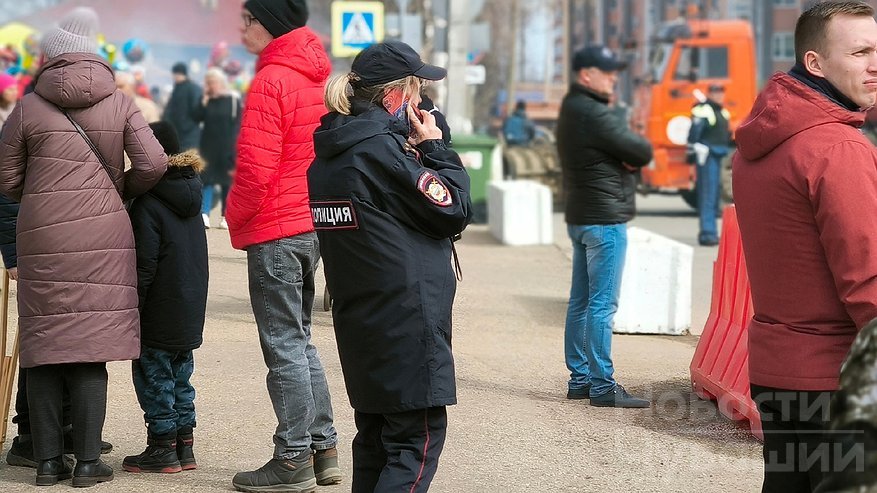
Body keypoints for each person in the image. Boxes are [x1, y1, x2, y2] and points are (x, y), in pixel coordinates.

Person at [0, 6, 167, 487]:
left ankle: (49, 464)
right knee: (89, 349)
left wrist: (39, 197)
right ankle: (89, 463)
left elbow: (6, 177)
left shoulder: (29, 106)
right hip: (104, 235)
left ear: (51, 60)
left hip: (42, 236)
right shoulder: (119, 102)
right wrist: (119, 189)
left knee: (46, 347)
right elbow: (154, 163)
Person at [310, 40, 472, 493]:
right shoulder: (379, 151)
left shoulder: (332, 151)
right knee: (413, 445)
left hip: (362, 316)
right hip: (406, 319)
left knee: (376, 442)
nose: (422, 105)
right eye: (417, 93)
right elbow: (453, 208)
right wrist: (437, 149)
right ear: (394, 97)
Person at [732, 2, 877, 491]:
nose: (874, 64)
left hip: (778, 369)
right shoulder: (839, 148)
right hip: (837, 378)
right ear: (815, 63)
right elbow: (867, 279)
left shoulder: (761, 143)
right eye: (860, 52)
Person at [226, 1, 341, 492]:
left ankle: (292, 457)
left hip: (276, 225)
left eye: (247, 19)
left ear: (267, 24)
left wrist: (232, 216)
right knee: (301, 340)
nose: (241, 27)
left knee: (284, 346)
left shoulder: (272, 78)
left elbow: (255, 168)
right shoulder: (315, 74)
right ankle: (323, 448)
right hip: (309, 223)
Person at [556, 45, 653, 408]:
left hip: (581, 216)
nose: (614, 78)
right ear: (586, 75)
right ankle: (602, 386)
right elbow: (640, 151)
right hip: (604, 219)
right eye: (607, 72)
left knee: (580, 302)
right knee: (601, 305)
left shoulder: (571, 107)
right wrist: (625, 157)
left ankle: (580, 379)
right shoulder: (595, 112)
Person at [123, 122, 208, 474]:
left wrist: (132, 308)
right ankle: (184, 444)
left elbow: (145, 264)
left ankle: (161, 445)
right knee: (181, 376)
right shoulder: (190, 193)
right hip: (187, 305)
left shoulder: (150, 202)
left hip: (158, 308)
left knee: (153, 375)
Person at [193, 67, 241, 230]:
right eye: (208, 82)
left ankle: (225, 216)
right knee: (207, 180)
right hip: (208, 147)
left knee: (227, 182)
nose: (210, 85)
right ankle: (204, 214)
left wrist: (236, 145)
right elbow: (196, 117)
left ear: (220, 82)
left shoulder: (233, 100)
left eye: (212, 82)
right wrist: (204, 100)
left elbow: (238, 123)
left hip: (228, 146)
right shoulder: (207, 100)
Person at [687, 83, 732, 246]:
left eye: (721, 92)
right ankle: (707, 234)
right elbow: (694, 132)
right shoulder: (703, 109)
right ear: (709, 94)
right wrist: (695, 148)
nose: (719, 95)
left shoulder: (722, 111)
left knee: (714, 196)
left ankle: (711, 232)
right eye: (715, 92)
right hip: (707, 156)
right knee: (707, 195)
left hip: (719, 155)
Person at [162, 61, 202, 151]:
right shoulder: (179, 87)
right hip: (179, 132)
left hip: (188, 134)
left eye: (175, 74)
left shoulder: (192, 88)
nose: (174, 77)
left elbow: (196, 110)